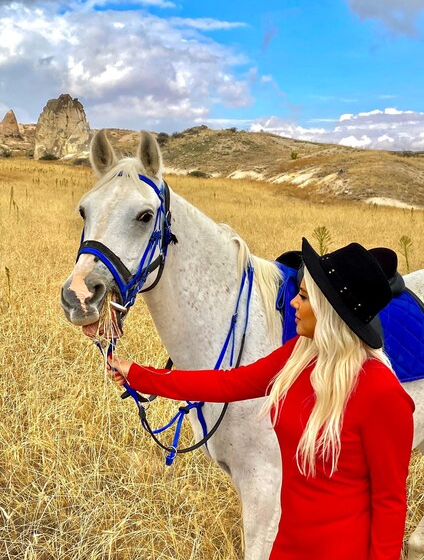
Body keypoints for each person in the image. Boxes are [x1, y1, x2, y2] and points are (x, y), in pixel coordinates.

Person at [107, 238, 415, 560]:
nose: (293, 302)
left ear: (331, 310)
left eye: (304, 296)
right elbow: (228, 383)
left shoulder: (382, 394)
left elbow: (389, 502)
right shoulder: (300, 355)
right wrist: (139, 375)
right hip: (288, 545)